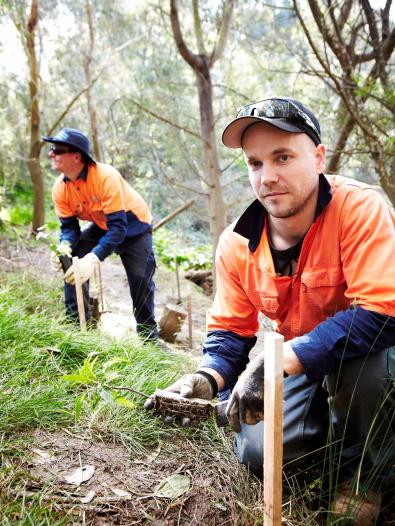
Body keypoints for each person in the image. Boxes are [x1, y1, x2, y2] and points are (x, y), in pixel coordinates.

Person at [161, 98, 395, 524]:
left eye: (283, 157)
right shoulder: (236, 244)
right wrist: (207, 378)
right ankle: (331, 436)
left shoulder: (360, 208)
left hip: (374, 352)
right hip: (306, 362)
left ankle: (363, 480)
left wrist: (279, 359)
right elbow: (231, 331)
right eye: (255, 163)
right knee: (257, 453)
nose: (267, 177)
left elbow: (382, 313)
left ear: (318, 157)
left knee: (367, 372)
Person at [44, 127, 158, 340]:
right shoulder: (60, 188)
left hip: (135, 226)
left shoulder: (105, 176)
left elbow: (119, 227)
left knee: (140, 279)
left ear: (76, 156)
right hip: (104, 224)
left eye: (57, 150)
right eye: (52, 149)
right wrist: (64, 245)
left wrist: (94, 258)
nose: (51, 153)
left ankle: (149, 338)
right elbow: (69, 228)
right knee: (73, 257)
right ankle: (76, 329)